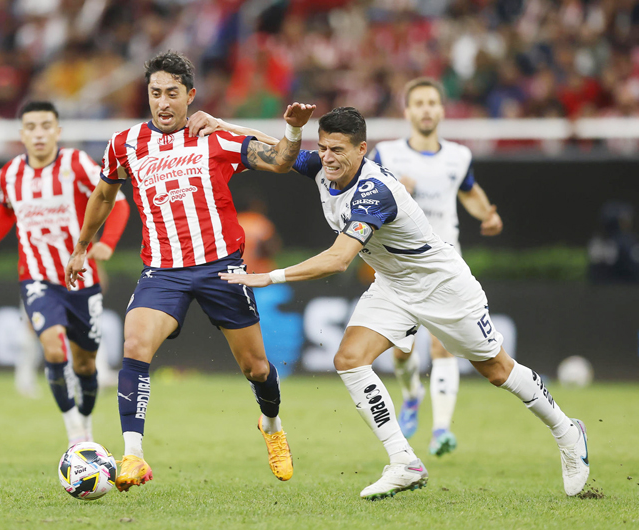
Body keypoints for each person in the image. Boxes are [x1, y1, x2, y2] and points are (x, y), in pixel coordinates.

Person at [216, 107, 589, 499]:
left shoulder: (374, 190)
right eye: (323, 148)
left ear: (363, 149)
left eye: (338, 150)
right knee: (349, 359)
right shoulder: (324, 169)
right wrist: (221, 126)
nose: (327, 157)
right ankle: (404, 461)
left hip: (441, 286)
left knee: (496, 370)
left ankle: (567, 431)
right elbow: (276, 147)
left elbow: (338, 260)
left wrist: (270, 276)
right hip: (394, 284)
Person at [65, 50, 314, 492]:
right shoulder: (124, 144)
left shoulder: (213, 139)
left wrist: (290, 128)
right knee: (136, 343)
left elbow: (280, 160)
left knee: (256, 368)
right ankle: (133, 455)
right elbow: (103, 195)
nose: (162, 102)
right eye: (155, 93)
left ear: (190, 96)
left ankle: (272, 425)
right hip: (162, 270)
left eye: (172, 94)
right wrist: (82, 245)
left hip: (222, 267)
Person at [0, 101, 130, 446]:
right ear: (22, 133)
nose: (39, 133)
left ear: (58, 131)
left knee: (85, 366)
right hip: (36, 278)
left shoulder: (77, 164)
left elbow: (118, 201)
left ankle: (86, 424)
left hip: (81, 279)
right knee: (53, 349)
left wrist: (107, 243)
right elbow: (6, 211)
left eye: (46, 126)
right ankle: (74, 433)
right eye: (32, 127)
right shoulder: (8, 174)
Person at [369, 77, 504, 456]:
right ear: (408, 111)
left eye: (433, 102)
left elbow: (469, 190)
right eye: (420, 103)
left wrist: (488, 214)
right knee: (401, 351)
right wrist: (393, 188)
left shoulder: (458, 156)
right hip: (399, 266)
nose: (427, 109)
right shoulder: (387, 155)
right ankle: (412, 393)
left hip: (444, 264)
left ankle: (441, 430)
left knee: (444, 347)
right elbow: (362, 193)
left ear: (442, 111)